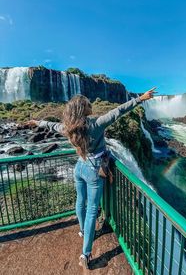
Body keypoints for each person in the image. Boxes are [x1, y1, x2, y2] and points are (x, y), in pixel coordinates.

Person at [26, 87, 156, 269]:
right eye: (88, 103)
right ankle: (85, 254)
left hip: (79, 167)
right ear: (83, 108)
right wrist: (140, 99)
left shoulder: (68, 127)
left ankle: (82, 231)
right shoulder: (96, 124)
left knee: (81, 201)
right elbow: (118, 111)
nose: (91, 105)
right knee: (92, 210)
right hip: (94, 171)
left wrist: (36, 121)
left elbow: (51, 126)